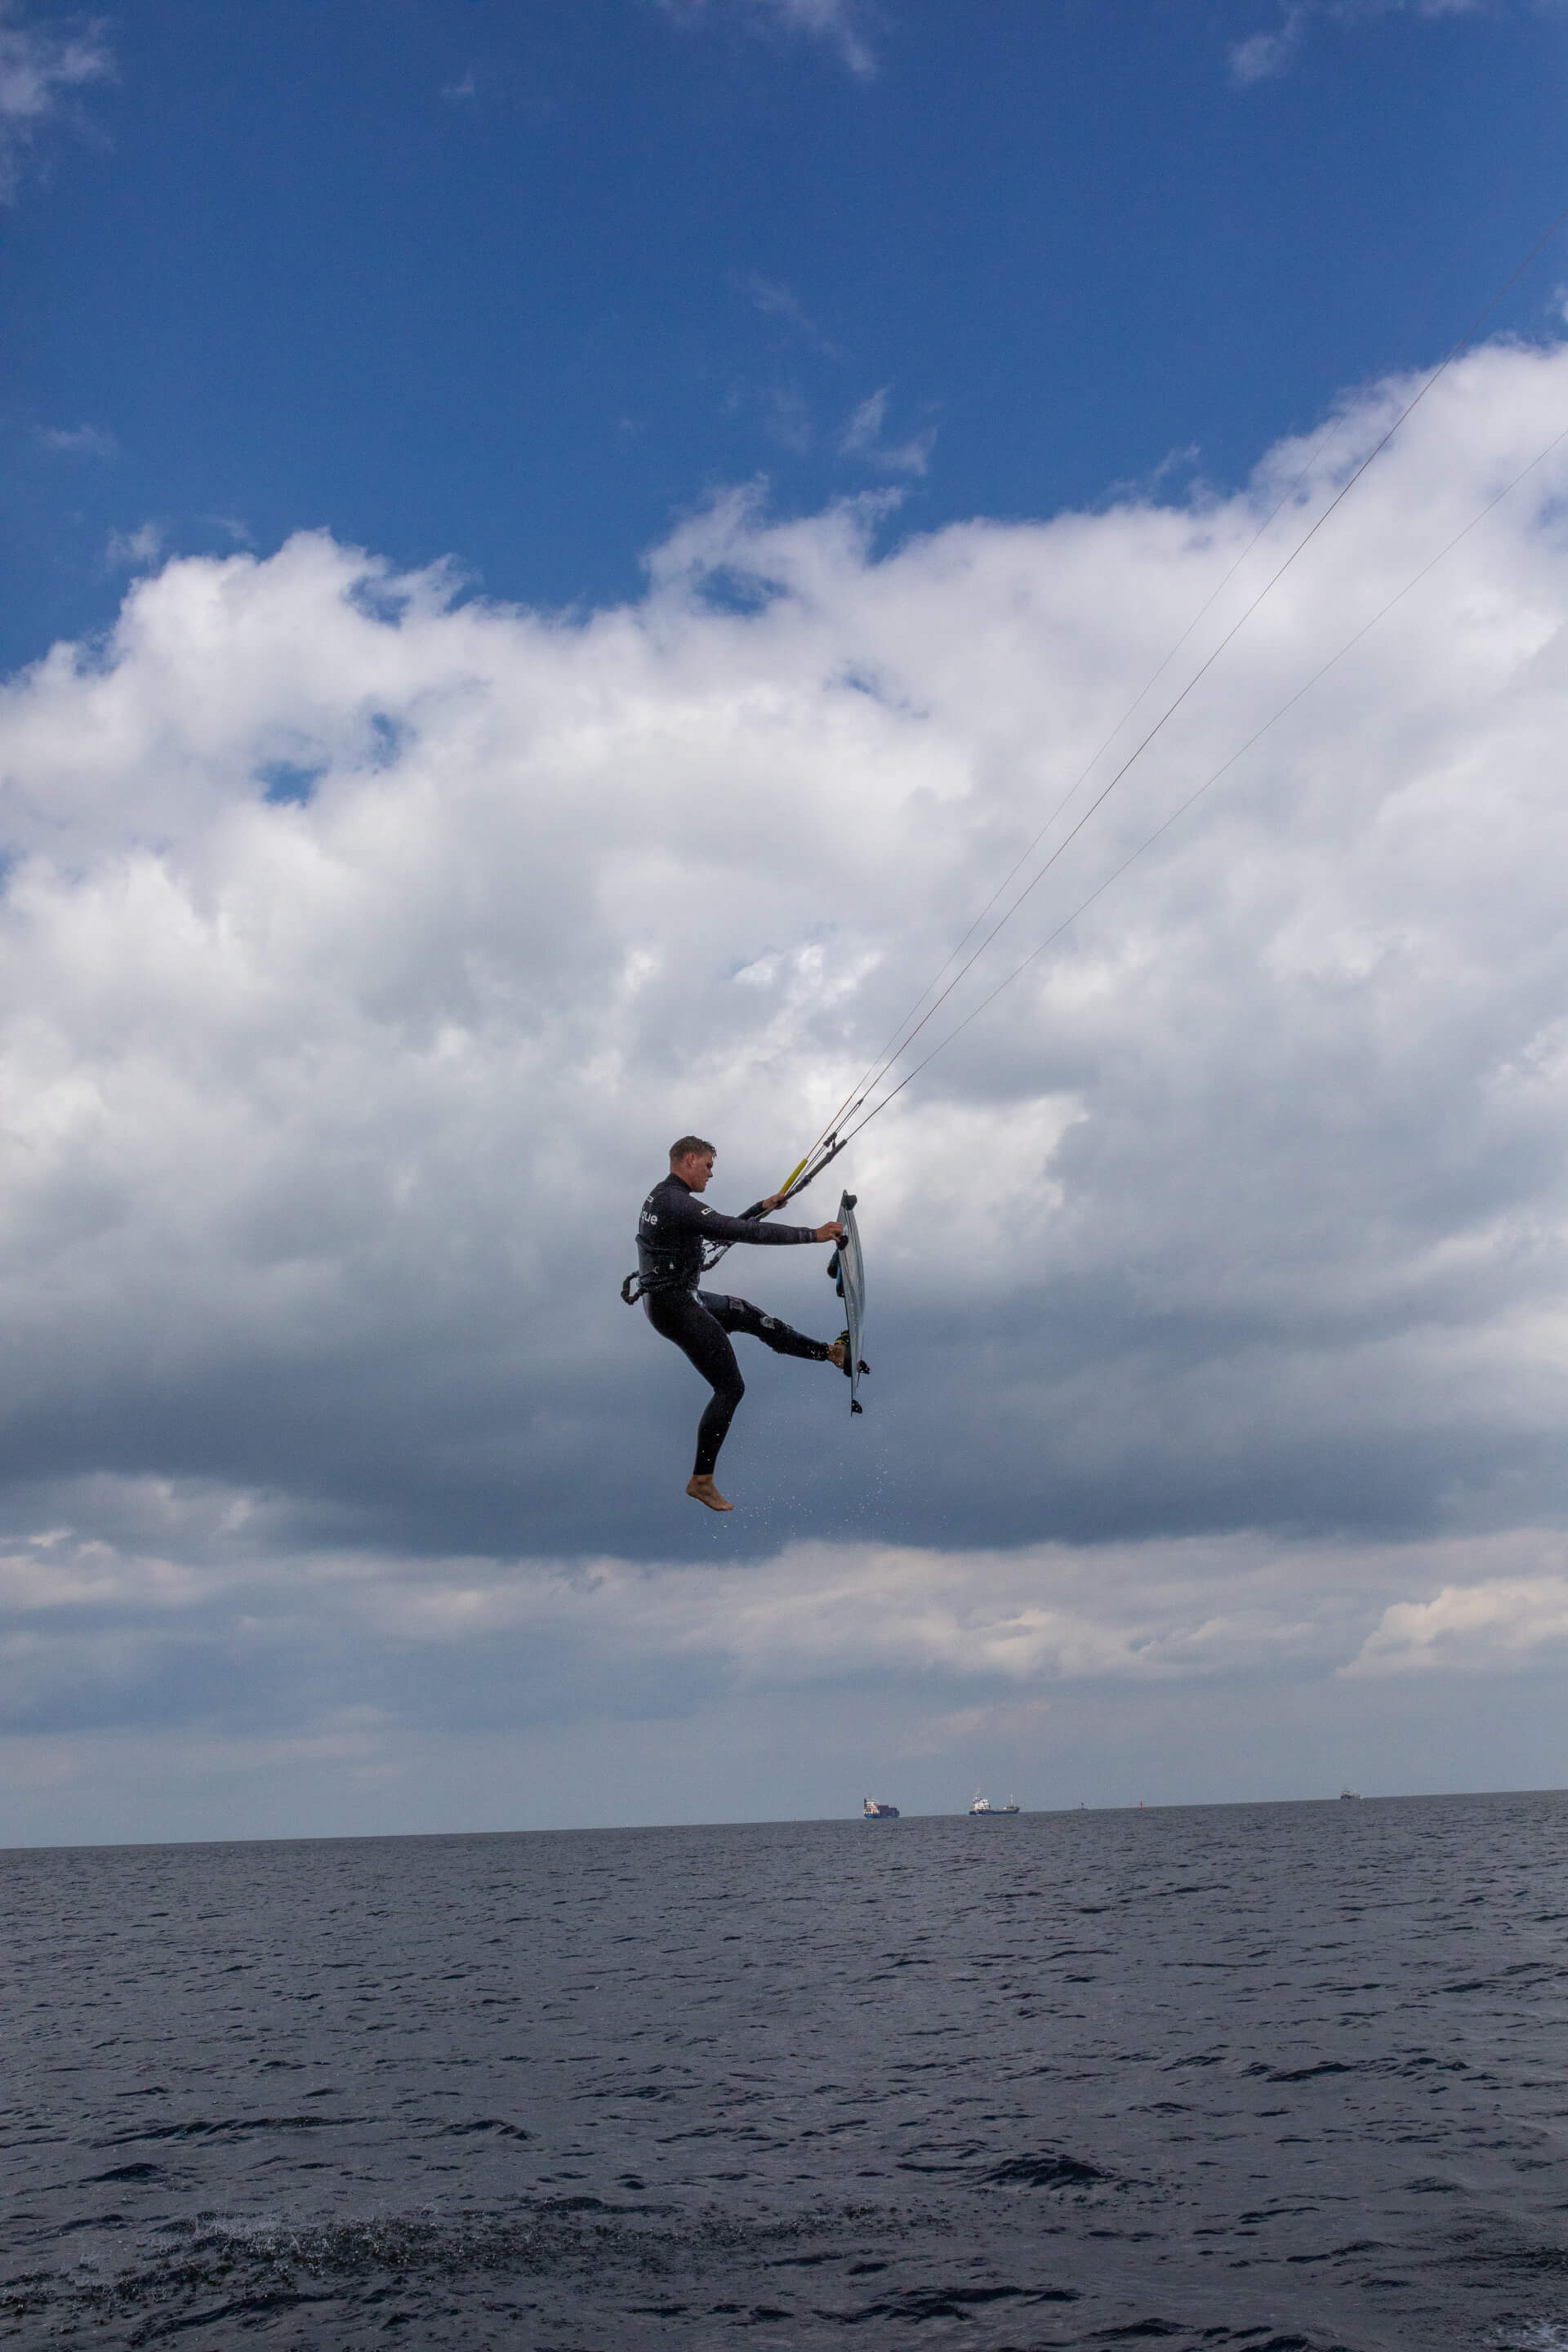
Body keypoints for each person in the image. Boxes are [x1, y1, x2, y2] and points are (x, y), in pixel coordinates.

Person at [637, 1135, 847, 1512]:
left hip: (678, 1299)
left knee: (748, 1315)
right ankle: (702, 1480)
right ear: (689, 1160)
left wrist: (761, 1206)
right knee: (730, 1387)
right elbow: (738, 1232)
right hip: (675, 1306)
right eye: (708, 1166)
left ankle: (830, 1354)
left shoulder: (664, 1197)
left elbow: (725, 1226)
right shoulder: (675, 1203)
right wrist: (812, 1235)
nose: (711, 1174)